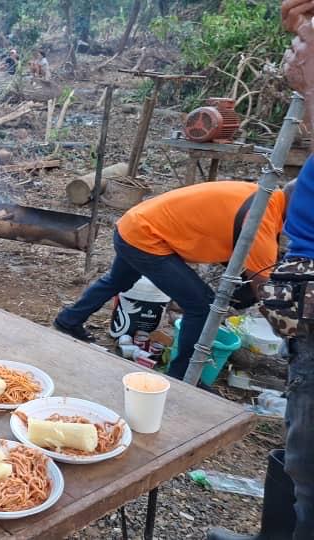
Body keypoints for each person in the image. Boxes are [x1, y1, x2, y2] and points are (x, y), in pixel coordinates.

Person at [205, 7, 314, 539]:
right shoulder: (268, 204)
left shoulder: (263, 215)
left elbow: (256, 267)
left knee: (310, 470)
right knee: (302, 464)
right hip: (139, 234)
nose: (292, 46)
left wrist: (278, 300)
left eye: (302, 37)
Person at [53, 181, 293, 380]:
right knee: (201, 306)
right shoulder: (262, 220)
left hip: (134, 224)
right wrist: (291, 332)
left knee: (117, 281)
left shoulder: (265, 194)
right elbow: (266, 293)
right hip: (146, 238)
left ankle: (68, 320)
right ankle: (182, 377)